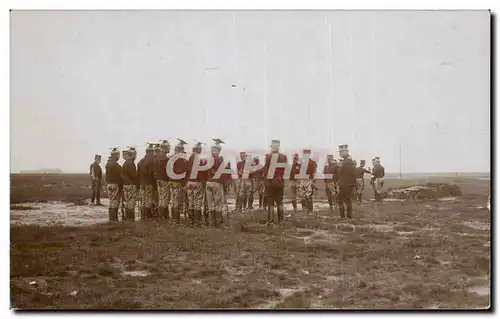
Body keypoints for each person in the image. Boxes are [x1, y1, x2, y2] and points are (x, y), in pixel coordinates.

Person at [263, 140, 288, 225]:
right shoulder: (284, 157)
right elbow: (285, 170)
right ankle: (281, 220)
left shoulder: (268, 156)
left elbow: (266, 170)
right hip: (280, 183)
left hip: (270, 183)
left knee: (270, 201)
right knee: (280, 201)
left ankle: (270, 221)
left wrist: (271, 179)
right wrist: (279, 178)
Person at [206, 139, 229, 227]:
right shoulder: (220, 160)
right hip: (217, 183)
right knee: (218, 204)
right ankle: (218, 223)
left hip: (208, 182)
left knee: (210, 204)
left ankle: (211, 223)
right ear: (219, 151)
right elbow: (224, 174)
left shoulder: (207, 160)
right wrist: (225, 187)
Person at [186, 141, 208, 227]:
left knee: (191, 202)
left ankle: (191, 222)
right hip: (197, 182)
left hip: (189, 181)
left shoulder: (189, 158)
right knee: (197, 202)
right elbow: (203, 171)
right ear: (199, 150)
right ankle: (197, 223)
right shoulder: (200, 159)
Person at [169, 139, 189, 224]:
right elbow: (183, 171)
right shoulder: (181, 160)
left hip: (171, 181)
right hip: (178, 182)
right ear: (180, 150)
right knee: (177, 200)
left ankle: (173, 217)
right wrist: (184, 183)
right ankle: (176, 218)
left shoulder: (170, 158)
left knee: (173, 200)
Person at [137, 144, 157, 220]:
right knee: (149, 198)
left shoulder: (140, 161)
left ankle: (143, 214)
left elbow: (138, 174)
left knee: (143, 199)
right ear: (151, 152)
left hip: (142, 183)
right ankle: (148, 214)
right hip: (149, 183)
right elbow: (153, 174)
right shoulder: (152, 161)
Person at [337, 144, 356, 219]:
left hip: (346, 185)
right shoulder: (346, 161)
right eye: (340, 152)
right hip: (344, 184)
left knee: (342, 200)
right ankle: (347, 216)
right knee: (346, 200)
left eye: (341, 152)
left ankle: (344, 216)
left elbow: (353, 174)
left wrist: (353, 186)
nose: (340, 154)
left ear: (346, 152)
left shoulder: (348, 162)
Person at [122, 147, 139, 221]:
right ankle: (131, 218)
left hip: (125, 185)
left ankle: (127, 217)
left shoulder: (125, 163)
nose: (135, 156)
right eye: (135, 154)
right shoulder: (131, 163)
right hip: (131, 185)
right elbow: (134, 176)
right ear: (132, 155)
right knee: (131, 202)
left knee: (127, 201)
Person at [299, 149, 318, 215]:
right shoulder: (302, 163)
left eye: (306, 154)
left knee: (309, 196)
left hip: (309, 180)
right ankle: (305, 210)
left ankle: (310, 210)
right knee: (302, 195)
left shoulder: (312, 162)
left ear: (309, 154)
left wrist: (313, 181)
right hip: (303, 180)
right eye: (304, 154)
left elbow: (315, 172)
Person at [155, 140, 171, 220]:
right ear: (165, 148)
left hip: (158, 180)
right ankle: (163, 215)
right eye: (168, 147)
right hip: (164, 180)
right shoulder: (166, 159)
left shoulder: (157, 158)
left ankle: (160, 214)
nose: (169, 148)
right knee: (164, 198)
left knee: (160, 197)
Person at [105, 148, 122, 221]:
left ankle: (111, 216)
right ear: (115, 155)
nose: (119, 156)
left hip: (109, 184)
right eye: (118, 155)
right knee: (115, 201)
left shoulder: (108, 164)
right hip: (115, 184)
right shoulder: (117, 166)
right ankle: (114, 217)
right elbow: (120, 177)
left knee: (111, 200)